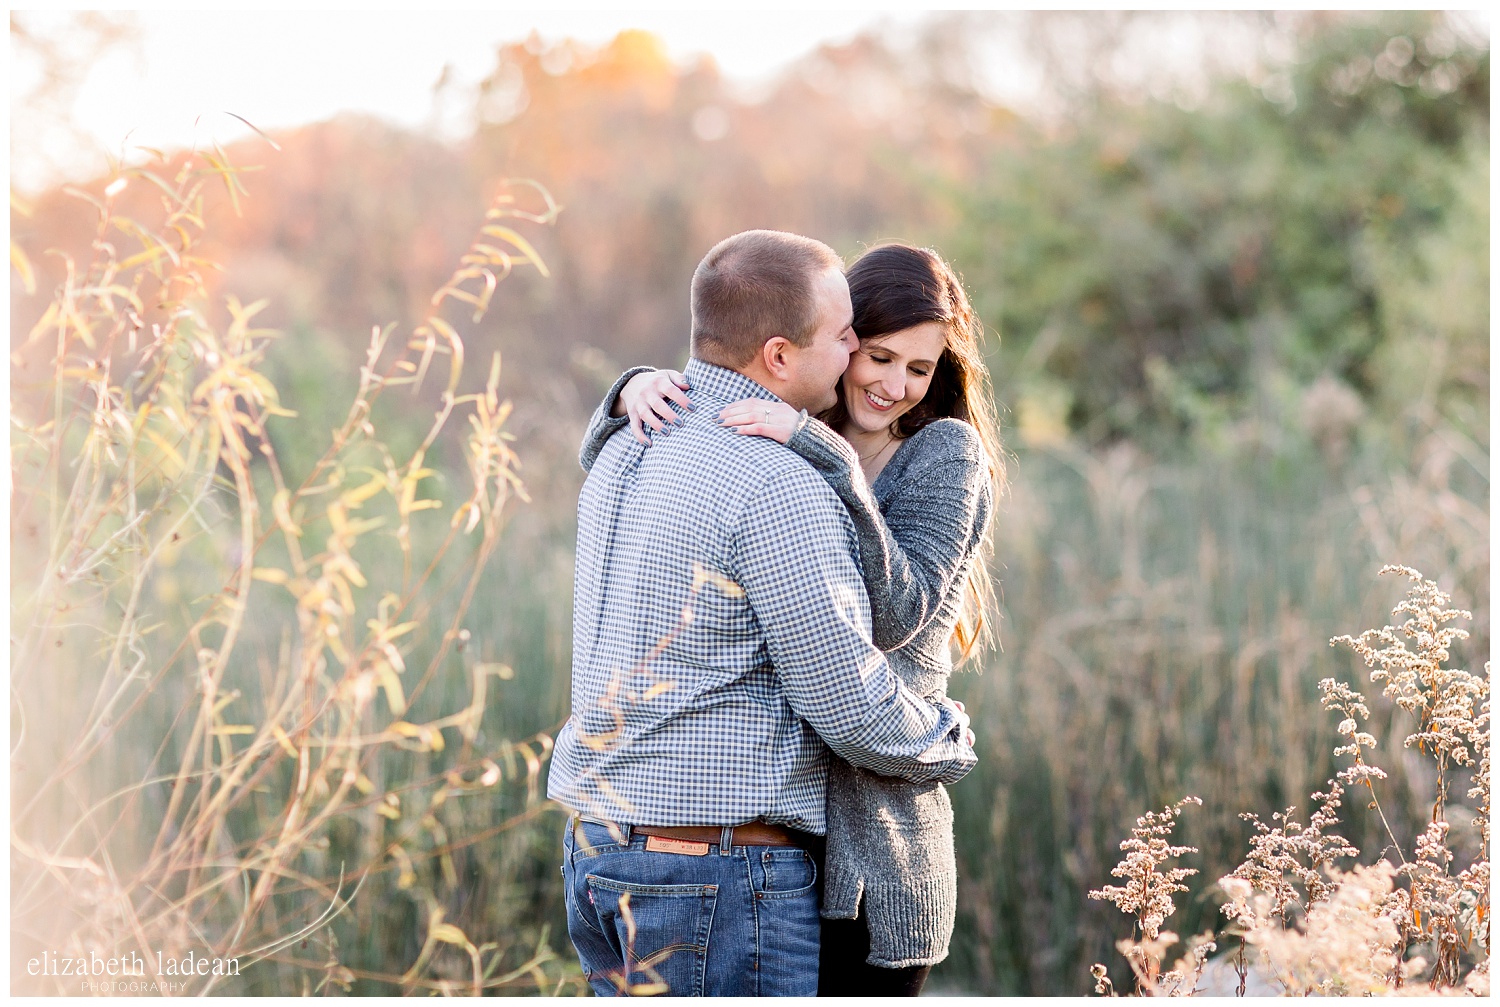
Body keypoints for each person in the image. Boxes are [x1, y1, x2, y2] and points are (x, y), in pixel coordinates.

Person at [548, 230, 978, 998]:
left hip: (603, 852)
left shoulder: (632, 445)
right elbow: (847, 703)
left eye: (917, 366)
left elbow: (902, 606)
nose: (864, 362)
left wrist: (628, 393)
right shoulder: (772, 479)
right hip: (712, 872)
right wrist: (947, 742)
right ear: (781, 354)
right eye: (856, 342)